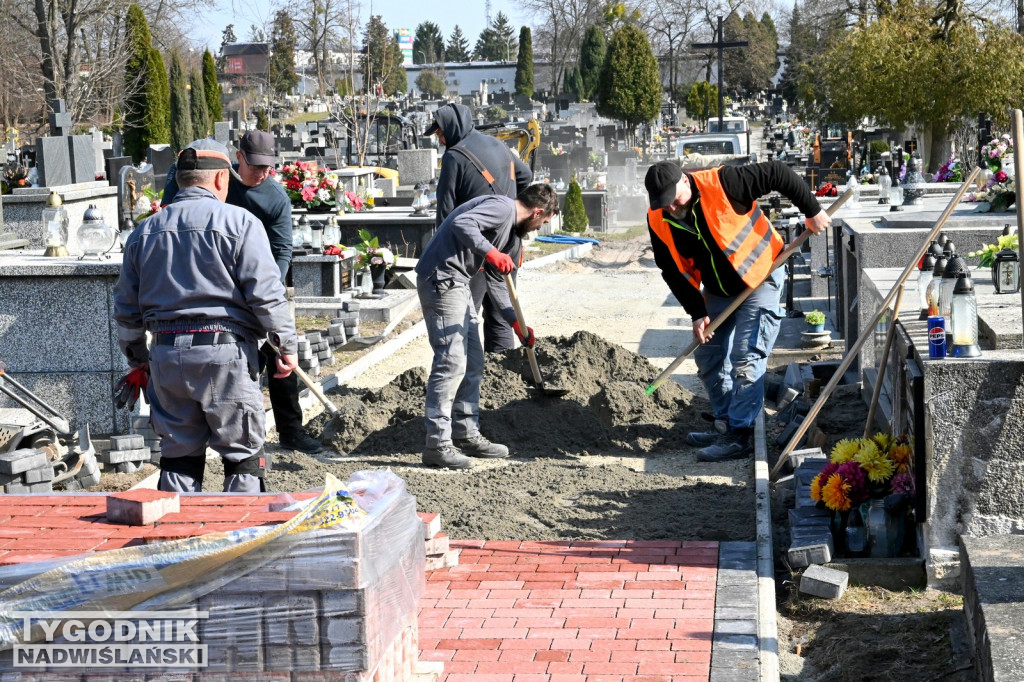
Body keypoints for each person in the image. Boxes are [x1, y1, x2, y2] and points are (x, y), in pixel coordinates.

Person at [114, 139, 299, 492]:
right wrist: (285, 345)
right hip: (224, 355)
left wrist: (138, 359)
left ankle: (174, 540)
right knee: (243, 459)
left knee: (178, 459)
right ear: (218, 181)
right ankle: (241, 541)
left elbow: (126, 310)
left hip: (166, 356)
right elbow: (267, 293)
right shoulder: (240, 223)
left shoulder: (144, 232)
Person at [644, 160, 830, 462]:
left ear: (684, 181)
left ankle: (741, 436)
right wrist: (695, 311)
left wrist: (812, 210)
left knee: (745, 357)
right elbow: (670, 269)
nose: (671, 207)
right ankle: (727, 422)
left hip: (761, 276)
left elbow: (779, 173)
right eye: (663, 203)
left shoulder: (725, 182)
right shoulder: (658, 216)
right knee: (708, 355)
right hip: (719, 291)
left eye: (674, 198)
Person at [164, 130, 322, 455]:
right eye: (255, 166)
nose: (261, 173)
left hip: (257, 284)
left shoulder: (275, 199)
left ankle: (291, 430)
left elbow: (281, 252)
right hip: (209, 284)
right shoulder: (215, 179)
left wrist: (262, 290)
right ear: (238, 159)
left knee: (281, 354)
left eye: (268, 167)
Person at [414, 184, 560, 469]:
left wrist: (516, 323)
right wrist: (491, 252)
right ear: (538, 212)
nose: (538, 227)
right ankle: (437, 445)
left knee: (474, 362)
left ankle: (466, 433)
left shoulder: (509, 233)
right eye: (542, 222)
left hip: (459, 284)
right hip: (442, 278)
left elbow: (496, 282)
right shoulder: (502, 207)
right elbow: (461, 223)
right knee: (451, 361)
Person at [428, 102, 534, 352]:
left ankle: (470, 378)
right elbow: (525, 176)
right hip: (507, 245)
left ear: (452, 128)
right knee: (501, 314)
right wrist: (505, 204)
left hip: (474, 250)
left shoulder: (454, 157)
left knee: (465, 316)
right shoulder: (498, 144)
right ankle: (505, 377)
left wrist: (441, 257)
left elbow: (445, 213)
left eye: (440, 133)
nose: (441, 140)